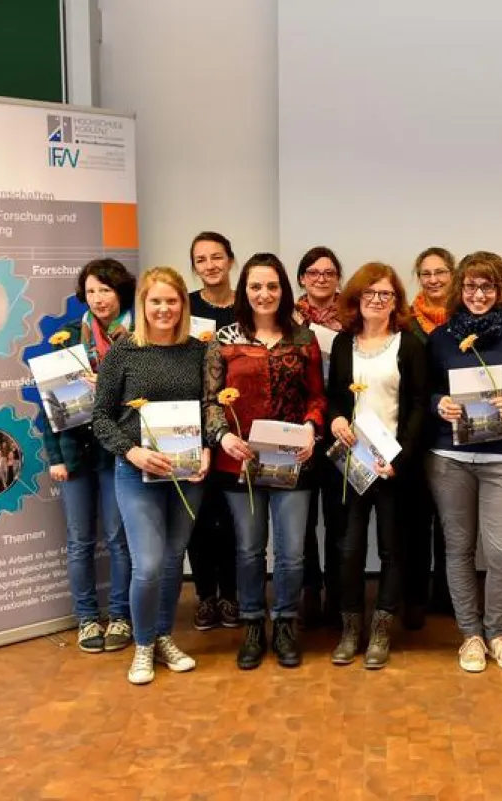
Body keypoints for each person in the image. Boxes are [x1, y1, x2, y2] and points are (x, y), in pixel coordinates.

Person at [204, 253, 325, 671]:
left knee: (292, 552)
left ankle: (286, 622)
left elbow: (317, 396)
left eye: (272, 286)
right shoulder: (225, 338)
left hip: (294, 462)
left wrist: (312, 427)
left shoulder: (303, 338)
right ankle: (253, 623)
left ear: (284, 290)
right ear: (244, 291)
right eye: (256, 286)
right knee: (250, 550)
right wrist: (223, 436)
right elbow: (211, 401)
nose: (264, 294)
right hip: (240, 465)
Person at [92, 266, 212, 686]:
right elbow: (100, 419)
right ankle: (142, 645)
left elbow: (209, 410)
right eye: (155, 301)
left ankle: (163, 637)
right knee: (148, 564)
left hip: (187, 473)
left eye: (172, 300)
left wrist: (209, 450)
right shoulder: (123, 353)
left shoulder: (199, 351)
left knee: (174, 559)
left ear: (183, 305)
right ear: (143, 305)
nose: (164, 308)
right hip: (137, 472)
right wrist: (134, 452)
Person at [427, 251, 502, 673]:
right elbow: (427, 393)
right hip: (449, 457)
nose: (479, 294)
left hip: (501, 456)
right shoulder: (441, 337)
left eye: (488, 286)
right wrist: (441, 404)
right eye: (471, 286)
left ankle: (497, 633)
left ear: (501, 289)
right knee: (459, 549)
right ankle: (471, 636)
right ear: (460, 288)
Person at [325, 263, 428, 668]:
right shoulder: (342, 344)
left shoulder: (410, 344)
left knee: (392, 549)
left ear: (396, 301)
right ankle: (351, 629)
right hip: (352, 465)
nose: (377, 301)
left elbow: (419, 406)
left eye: (386, 295)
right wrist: (335, 419)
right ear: (356, 299)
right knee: (348, 549)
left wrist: (400, 458)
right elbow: (334, 397)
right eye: (370, 294)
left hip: (392, 467)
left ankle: (382, 630)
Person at [40, 258, 136, 653]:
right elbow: (50, 404)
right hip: (76, 453)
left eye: (106, 290)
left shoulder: (137, 338)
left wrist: (108, 390)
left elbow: (149, 397)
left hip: (119, 452)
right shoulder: (67, 337)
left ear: (121, 294)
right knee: (79, 541)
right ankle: (85, 620)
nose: (98, 299)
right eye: (92, 291)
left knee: (118, 539)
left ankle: (119, 617)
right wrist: (54, 458)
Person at [186, 231, 239, 632]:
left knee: (237, 517)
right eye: (201, 260)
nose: (210, 266)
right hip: (194, 423)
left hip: (238, 427)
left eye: (217, 257)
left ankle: (232, 596)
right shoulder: (184, 308)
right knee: (201, 518)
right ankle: (205, 597)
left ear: (230, 260)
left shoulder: (251, 305)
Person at [293, 246, 346, 628]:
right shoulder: (288, 319)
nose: (321, 278)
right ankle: (310, 589)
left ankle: (337, 593)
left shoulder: (354, 316)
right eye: (313, 272)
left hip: (343, 428)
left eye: (329, 272)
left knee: (338, 516)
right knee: (304, 516)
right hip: (300, 428)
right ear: (301, 279)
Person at [404, 246, 456, 627]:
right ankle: (415, 598)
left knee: (452, 519)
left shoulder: (467, 318)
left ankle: (448, 594)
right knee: (416, 518)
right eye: (426, 273)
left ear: (452, 275)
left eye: (440, 272)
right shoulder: (405, 321)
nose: (434, 279)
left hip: (457, 430)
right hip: (413, 430)